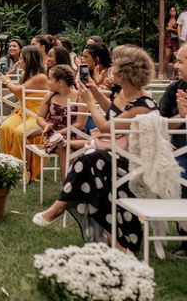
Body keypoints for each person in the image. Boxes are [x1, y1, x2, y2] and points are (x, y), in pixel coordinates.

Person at [33, 45, 157, 253]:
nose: (112, 72)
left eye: (116, 68)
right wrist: (95, 92)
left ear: (125, 73)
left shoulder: (143, 104)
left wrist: (90, 102)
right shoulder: (124, 94)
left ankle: (59, 207)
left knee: (89, 160)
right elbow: (114, 112)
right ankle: (114, 240)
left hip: (133, 164)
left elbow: (107, 126)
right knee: (91, 162)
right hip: (116, 154)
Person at [0, 45, 48, 182]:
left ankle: (23, 169)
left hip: (37, 115)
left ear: (29, 60)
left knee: (20, 132)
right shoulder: (24, 75)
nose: (19, 61)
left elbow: (18, 91)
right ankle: (8, 164)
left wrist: (7, 81)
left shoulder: (41, 77)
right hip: (21, 113)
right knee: (5, 127)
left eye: (21, 59)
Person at [158, 42, 187, 257]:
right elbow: (159, 123)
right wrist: (182, 117)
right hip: (176, 151)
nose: (175, 65)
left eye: (180, 61)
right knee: (181, 170)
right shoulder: (175, 89)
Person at [36, 65, 87, 178]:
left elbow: (80, 123)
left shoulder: (80, 96)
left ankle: (74, 186)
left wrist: (62, 132)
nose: (48, 82)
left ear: (60, 82)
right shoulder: (49, 96)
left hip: (74, 133)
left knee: (86, 147)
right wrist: (46, 125)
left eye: (50, 79)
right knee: (64, 148)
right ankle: (67, 188)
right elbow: (39, 117)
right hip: (52, 134)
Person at [162, 6, 179, 79]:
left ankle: (174, 74)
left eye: (174, 10)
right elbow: (163, 30)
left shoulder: (178, 19)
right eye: (172, 11)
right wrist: (168, 29)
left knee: (175, 56)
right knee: (167, 55)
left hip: (175, 39)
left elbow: (179, 29)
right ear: (169, 12)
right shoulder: (166, 20)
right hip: (167, 38)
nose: (173, 12)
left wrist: (171, 29)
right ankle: (163, 73)